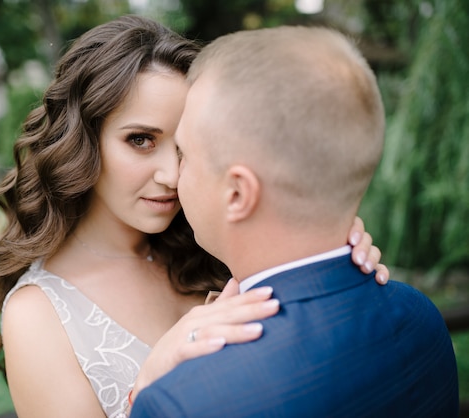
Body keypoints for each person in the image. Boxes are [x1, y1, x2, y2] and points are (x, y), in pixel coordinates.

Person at [0, 17, 390, 418]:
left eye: (184, 146)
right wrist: (151, 382)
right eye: (141, 140)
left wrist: (332, 245)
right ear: (83, 140)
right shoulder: (39, 314)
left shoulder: (214, 243)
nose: (172, 176)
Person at [130, 26, 459, 417]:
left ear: (237, 194)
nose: (172, 174)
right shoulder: (421, 317)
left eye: (183, 152)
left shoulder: (180, 401)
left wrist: (146, 389)